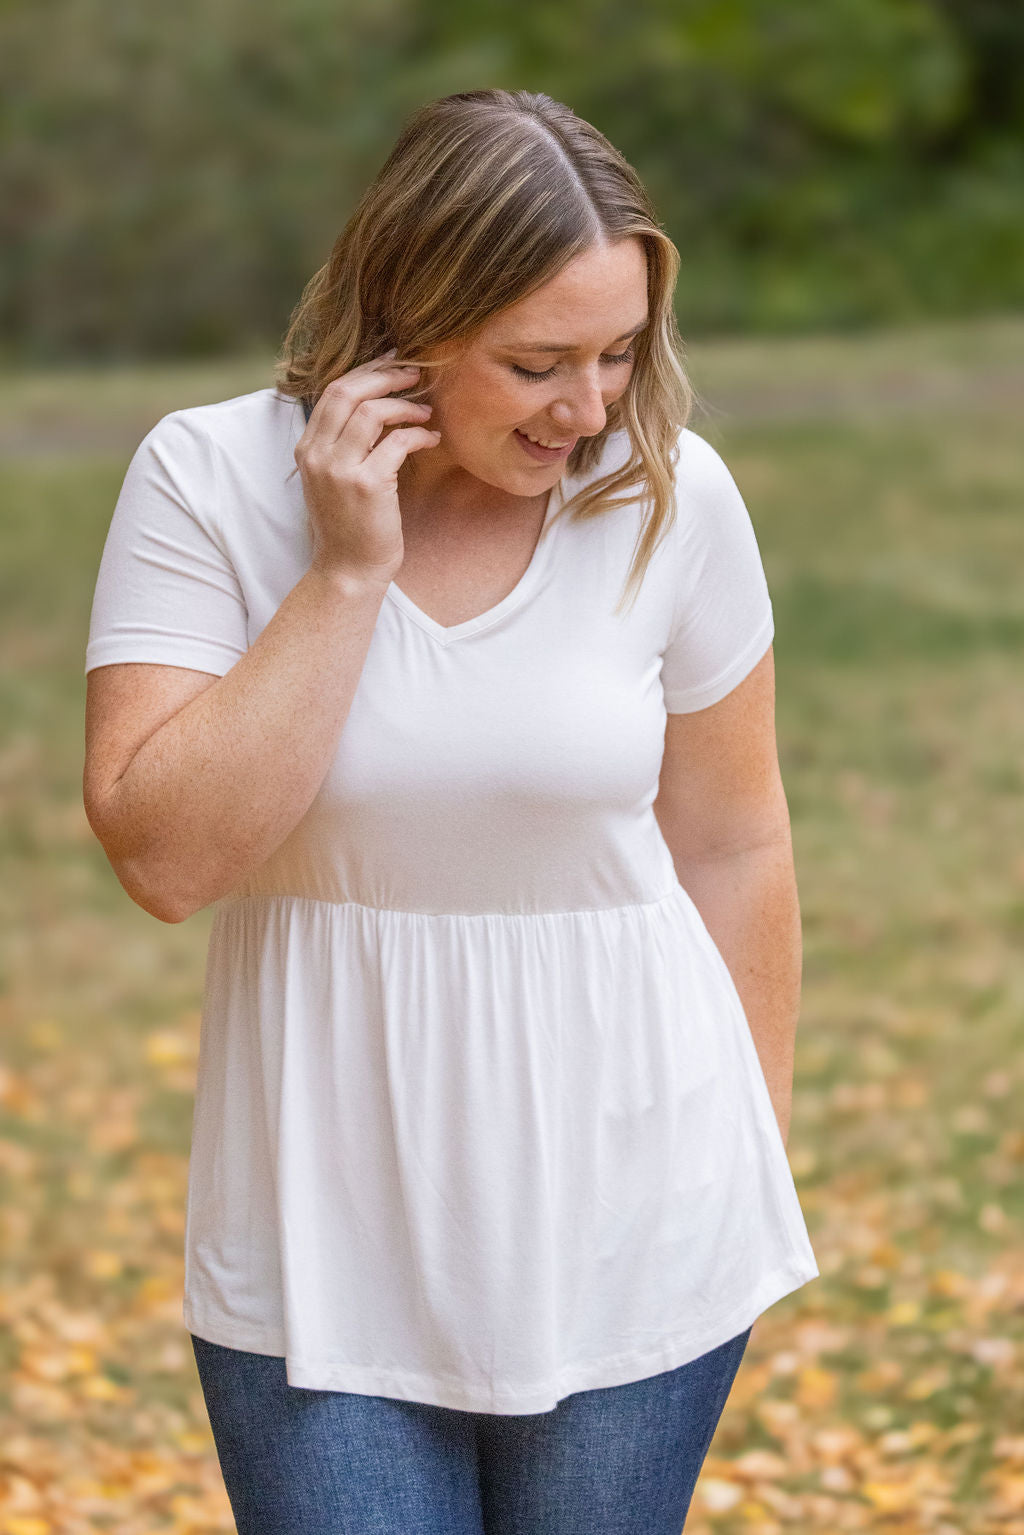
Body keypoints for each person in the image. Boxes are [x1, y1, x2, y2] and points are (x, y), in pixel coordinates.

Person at [82, 87, 819, 1534]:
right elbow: (167, 858)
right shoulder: (208, 483)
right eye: (537, 361)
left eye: (617, 354)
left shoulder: (670, 498)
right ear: (408, 321)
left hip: (634, 1202)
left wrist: (747, 1154)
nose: (590, 408)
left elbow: (736, 842)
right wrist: (346, 573)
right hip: (321, 1230)